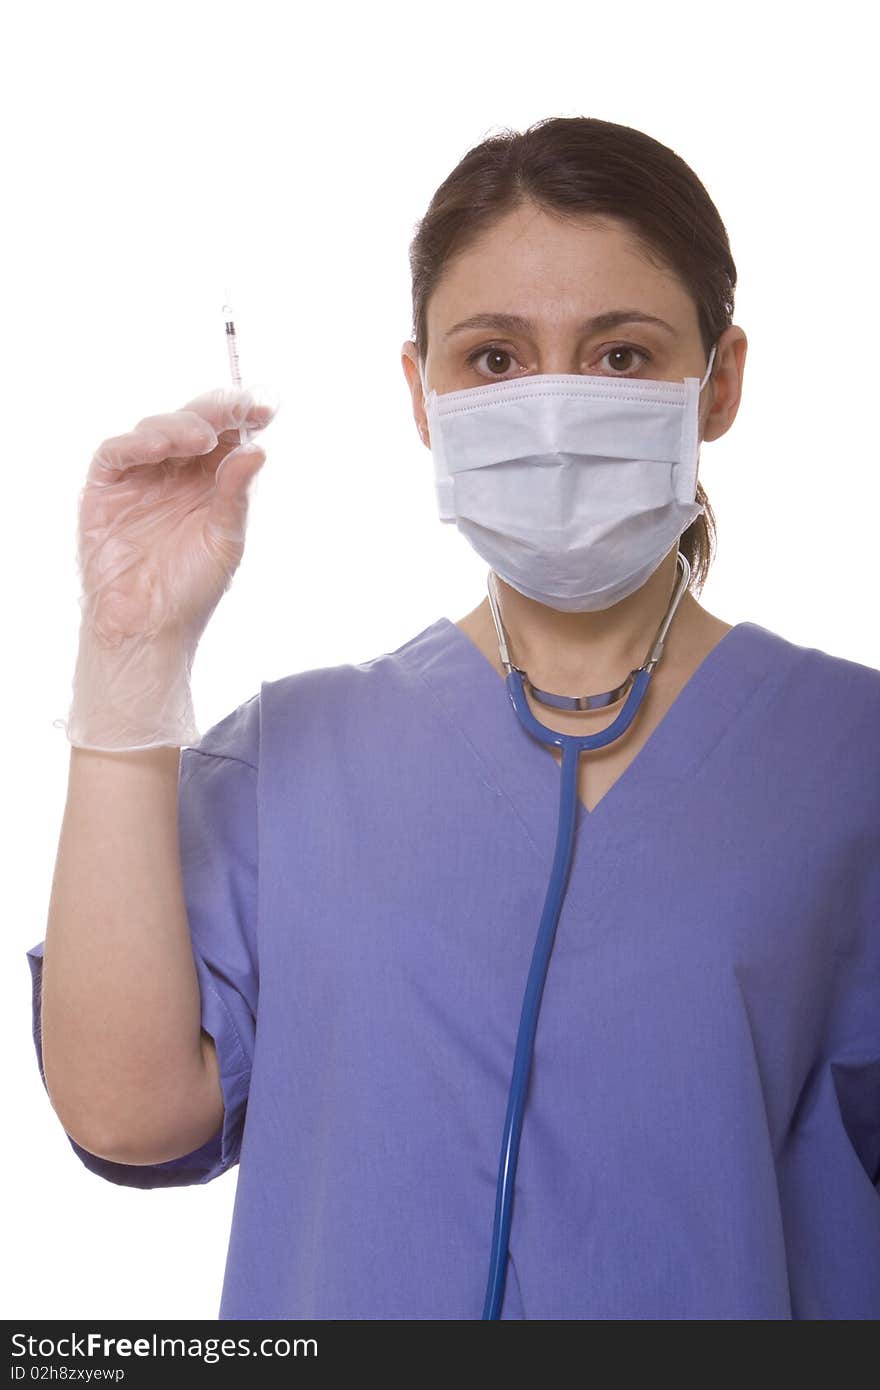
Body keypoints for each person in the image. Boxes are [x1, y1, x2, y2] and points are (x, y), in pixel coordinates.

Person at [25, 115, 880, 1321]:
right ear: (422, 395)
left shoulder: (851, 757)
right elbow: (126, 1110)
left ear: (719, 380)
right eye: (494, 359)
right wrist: (129, 652)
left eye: (621, 357)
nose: (553, 406)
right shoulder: (291, 756)